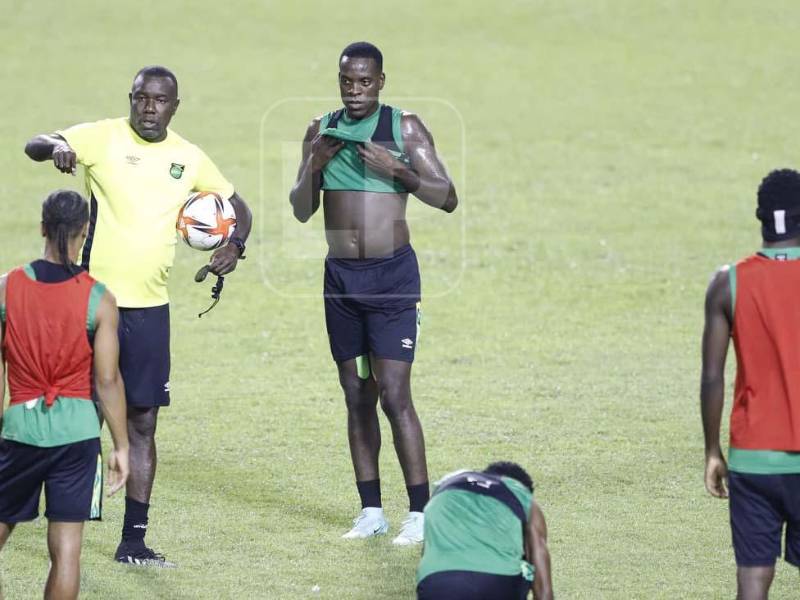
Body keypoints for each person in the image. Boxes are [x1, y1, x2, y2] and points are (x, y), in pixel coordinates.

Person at [24, 65, 252, 567]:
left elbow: (238, 206)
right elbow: (35, 143)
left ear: (175, 106)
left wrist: (235, 245)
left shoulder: (188, 157)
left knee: (143, 422)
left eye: (160, 100)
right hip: (90, 304)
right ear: (130, 98)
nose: (150, 108)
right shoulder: (102, 137)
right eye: (141, 98)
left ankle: (133, 541)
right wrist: (57, 148)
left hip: (150, 310)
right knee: (77, 414)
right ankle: (68, 521)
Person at [289, 41, 458, 545]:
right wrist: (313, 165)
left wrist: (398, 170)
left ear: (381, 81)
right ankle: (371, 512)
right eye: (348, 81)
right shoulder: (321, 131)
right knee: (356, 395)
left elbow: (447, 197)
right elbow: (301, 209)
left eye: (365, 81)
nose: (355, 90)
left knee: (394, 394)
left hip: (391, 278)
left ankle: (420, 512)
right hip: (341, 279)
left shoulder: (404, 128)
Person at [0, 190, 129, 600]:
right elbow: (107, 380)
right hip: (78, 436)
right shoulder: (100, 299)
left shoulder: (6, 288)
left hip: (20, 431)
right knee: (67, 552)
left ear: (43, 227)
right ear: (84, 231)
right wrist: (122, 446)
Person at [701, 168, 800, 600]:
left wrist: (712, 451)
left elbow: (712, 376)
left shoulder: (728, 283)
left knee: (753, 582)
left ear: (761, 217)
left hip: (753, 459)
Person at [416, 462, 553, 600]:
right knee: (526, 567)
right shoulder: (521, 493)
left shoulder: (444, 486)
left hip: (436, 583)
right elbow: (543, 589)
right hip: (497, 582)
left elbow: (427, 552)